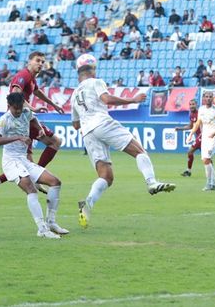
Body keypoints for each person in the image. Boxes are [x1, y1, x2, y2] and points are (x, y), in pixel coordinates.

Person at [72, 54, 175, 229]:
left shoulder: (74, 94)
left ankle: (88, 203)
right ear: (92, 69)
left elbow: (75, 124)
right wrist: (132, 99)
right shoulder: (96, 82)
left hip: (87, 133)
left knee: (106, 177)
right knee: (140, 151)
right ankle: (151, 183)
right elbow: (107, 99)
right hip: (102, 122)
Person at [0, 52, 65, 207]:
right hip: (20, 119)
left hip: (24, 118)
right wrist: (33, 109)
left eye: (42, 61)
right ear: (29, 62)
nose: (40, 64)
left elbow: (37, 91)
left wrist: (53, 105)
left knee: (23, 162)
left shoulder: (31, 78)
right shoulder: (23, 75)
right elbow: (15, 94)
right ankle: (37, 175)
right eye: (37, 61)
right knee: (55, 142)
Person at [0, 92, 66, 239]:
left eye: (20, 107)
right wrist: (18, 137)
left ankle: (51, 222)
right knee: (31, 190)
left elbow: (33, 119)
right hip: (10, 161)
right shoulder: (4, 119)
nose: (18, 111)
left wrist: (40, 129)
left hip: (23, 160)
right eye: (15, 108)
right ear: (9, 106)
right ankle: (42, 230)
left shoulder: (26, 111)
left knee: (55, 182)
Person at [190, 91, 215, 191]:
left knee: (206, 159)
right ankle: (214, 184)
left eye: (210, 97)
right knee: (205, 160)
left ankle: (209, 183)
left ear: (213, 98)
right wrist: (191, 133)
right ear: (203, 98)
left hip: (214, 138)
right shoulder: (201, 109)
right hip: (205, 138)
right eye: (206, 97)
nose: (208, 98)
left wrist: (214, 133)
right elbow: (198, 123)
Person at [175, 99, 201, 177]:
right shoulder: (191, 115)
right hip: (199, 137)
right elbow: (190, 126)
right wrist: (180, 128)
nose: (192, 106)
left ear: (196, 105)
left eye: (193, 104)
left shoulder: (200, 114)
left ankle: (189, 171)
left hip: (203, 136)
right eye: (190, 104)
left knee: (191, 152)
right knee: (205, 156)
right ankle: (188, 171)